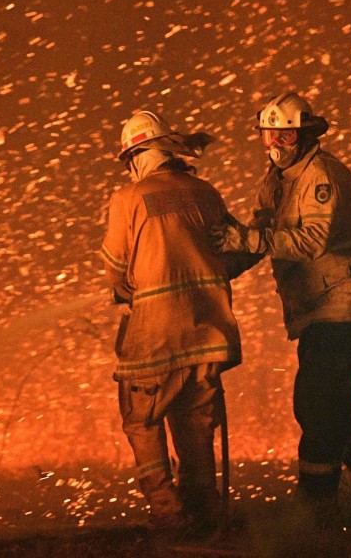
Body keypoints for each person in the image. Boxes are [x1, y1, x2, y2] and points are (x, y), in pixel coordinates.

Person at [211, 92, 351, 521]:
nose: (274, 145)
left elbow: (310, 242)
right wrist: (218, 269)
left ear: (306, 135)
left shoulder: (323, 177)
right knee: (329, 403)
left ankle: (317, 506)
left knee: (316, 402)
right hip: (320, 310)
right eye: (268, 136)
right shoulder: (276, 179)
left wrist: (246, 240)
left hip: (350, 309)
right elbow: (260, 233)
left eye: (284, 135)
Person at [100, 110, 242, 537]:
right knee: (194, 422)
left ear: (141, 153)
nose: (130, 168)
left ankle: (166, 510)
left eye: (131, 159)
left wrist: (128, 289)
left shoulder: (128, 199)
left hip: (155, 334)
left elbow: (115, 267)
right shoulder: (206, 193)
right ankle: (204, 512)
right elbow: (233, 252)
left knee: (140, 418)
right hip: (207, 334)